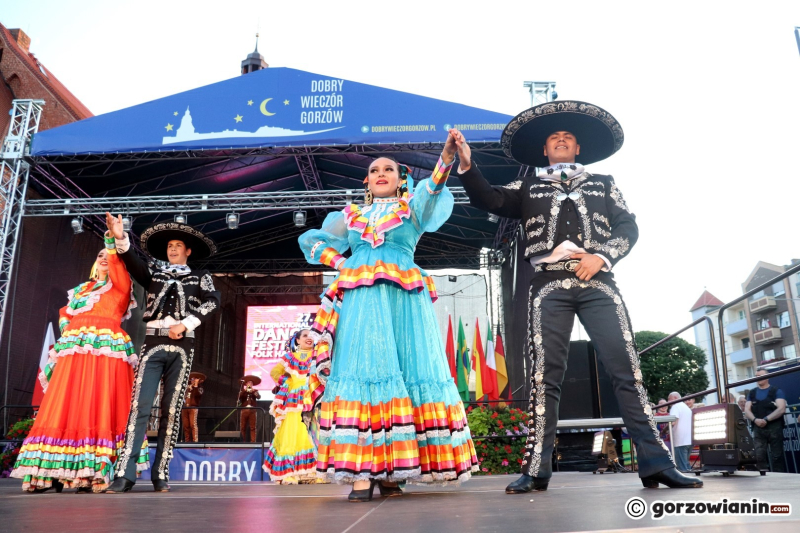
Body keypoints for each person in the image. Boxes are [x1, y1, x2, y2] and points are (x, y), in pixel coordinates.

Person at [457, 101, 701, 492]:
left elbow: (628, 225)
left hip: (599, 280)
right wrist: (468, 165)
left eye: (568, 138)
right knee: (544, 375)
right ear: (545, 150)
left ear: (577, 148)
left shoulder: (604, 182)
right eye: (554, 138)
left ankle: (656, 462)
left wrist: (602, 256)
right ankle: (537, 468)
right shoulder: (528, 186)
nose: (561, 141)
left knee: (626, 368)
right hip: (548, 283)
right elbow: (490, 199)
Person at [300, 130, 478, 502]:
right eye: (374, 169)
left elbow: (431, 192)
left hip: (403, 298)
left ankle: (394, 470)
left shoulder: (411, 209)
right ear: (366, 181)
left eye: (389, 169)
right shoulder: (349, 216)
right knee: (364, 367)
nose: (381, 173)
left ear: (401, 180)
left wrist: (445, 160)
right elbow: (312, 241)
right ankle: (362, 473)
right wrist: (345, 263)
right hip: (362, 299)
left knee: (409, 369)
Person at [10, 236, 146, 493]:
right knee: (66, 404)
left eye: (108, 256)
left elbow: (117, 266)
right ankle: (50, 474)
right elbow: (65, 313)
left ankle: (94, 472)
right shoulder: (81, 290)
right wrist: (69, 333)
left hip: (106, 349)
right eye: (99, 256)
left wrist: (112, 241)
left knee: (99, 403)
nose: (104, 259)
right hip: (75, 350)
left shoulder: (121, 285)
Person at [105, 214, 221, 493]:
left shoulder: (200, 276)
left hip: (183, 347)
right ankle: (125, 474)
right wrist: (120, 237)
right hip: (152, 344)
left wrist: (186, 323)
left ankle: (161, 473)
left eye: (178, 244)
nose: (172, 248)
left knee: (172, 410)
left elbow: (214, 301)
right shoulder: (153, 273)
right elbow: (131, 261)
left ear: (188, 251)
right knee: (140, 407)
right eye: (169, 245)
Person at [263, 329, 324, 484]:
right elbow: (275, 372)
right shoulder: (290, 357)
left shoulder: (318, 356)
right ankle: (291, 472)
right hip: (294, 402)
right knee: (294, 433)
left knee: (313, 434)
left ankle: (313, 473)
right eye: (305, 336)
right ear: (297, 341)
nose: (309, 338)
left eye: (311, 336)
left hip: (313, 399)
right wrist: (288, 382)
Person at [745, 370, 787, 472]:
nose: (757, 377)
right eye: (756, 376)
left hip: (774, 427)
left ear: (767, 377)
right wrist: (755, 420)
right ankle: (763, 479)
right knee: (759, 456)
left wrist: (766, 419)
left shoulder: (776, 391)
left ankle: (779, 479)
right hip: (758, 428)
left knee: (777, 456)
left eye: (760, 375)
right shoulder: (752, 392)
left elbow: (781, 408)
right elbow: (746, 410)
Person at [668, 392, 693, 472]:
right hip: (689, 440)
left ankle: (685, 483)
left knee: (682, 469)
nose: (668, 402)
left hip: (680, 440)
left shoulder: (675, 406)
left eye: (669, 399)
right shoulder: (686, 407)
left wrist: (665, 430)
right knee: (686, 465)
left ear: (675, 398)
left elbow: (673, 421)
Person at [182, 372, 205, 442]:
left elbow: (197, 395)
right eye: (192, 379)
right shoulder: (188, 388)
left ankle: (195, 440)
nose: (193, 380)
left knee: (193, 425)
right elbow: (183, 396)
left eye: (195, 379)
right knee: (186, 426)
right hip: (185, 408)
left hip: (193, 408)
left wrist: (195, 386)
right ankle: (187, 440)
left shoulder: (200, 388)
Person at [239, 376, 261, 443]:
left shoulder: (255, 391)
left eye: (251, 383)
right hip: (244, 410)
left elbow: (259, 397)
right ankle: (242, 441)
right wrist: (245, 390)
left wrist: (253, 392)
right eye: (249, 383)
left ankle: (253, 441)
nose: (250, 384)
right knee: (243, 427)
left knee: (252, 427)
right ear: (246, 384)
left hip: (252, 410)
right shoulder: (243, 391)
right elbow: (240, 397)